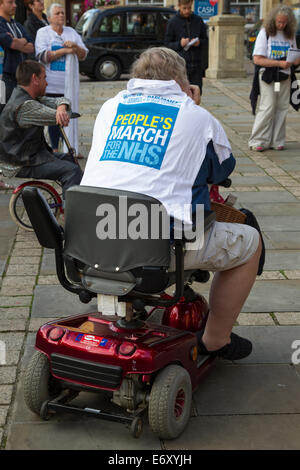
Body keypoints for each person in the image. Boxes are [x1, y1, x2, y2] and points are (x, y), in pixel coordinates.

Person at [80, 47, 262, 361]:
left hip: (98, 237)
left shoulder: (110, 107)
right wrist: (193, 105)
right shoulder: (195, 116)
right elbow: (222, 169)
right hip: (161, 246)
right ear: (180, 80)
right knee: (250, 243)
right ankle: (217, 339)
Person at [0, 60, 82, 197]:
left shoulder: (28, 96)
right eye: (44, 77)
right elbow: (61, 116)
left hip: (29, 155)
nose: (47, 82)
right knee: (72, 171)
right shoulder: (26, 106)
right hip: (20, 162)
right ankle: (71, 214)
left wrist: (61, 107)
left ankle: (70, 196)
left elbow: (62, 101)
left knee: (68, 159)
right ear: (35, 79)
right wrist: (62, 111)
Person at [35, 3, 88, 156]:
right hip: (50, 84)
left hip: (68, 85)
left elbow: (83, 54)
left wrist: (75, 47)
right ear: (50, 17)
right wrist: (65, 50)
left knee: (69, 117)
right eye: (57, 13)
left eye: (63, 13)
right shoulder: (43, 33)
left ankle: (69, 149)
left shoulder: (71, 32)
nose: (61, 16)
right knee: (54, 118)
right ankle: (54, 150)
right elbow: (43, 56)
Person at [249, 4, 300, 151]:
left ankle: (277, 140)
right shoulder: (265, 32)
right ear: (273, 20)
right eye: (279, 22)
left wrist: (295, 60)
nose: (281, 25)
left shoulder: (290, 34)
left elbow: (294, 55)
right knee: (268, 106)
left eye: (284, 22)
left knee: (282, 107)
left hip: (285, 74)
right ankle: (258, 140)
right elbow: (257, 59)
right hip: (268, 74)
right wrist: (278, 62)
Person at [164, 0, 207, 94]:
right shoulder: (172, 22)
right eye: (184, 8)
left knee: (196, 93)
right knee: (181, 94)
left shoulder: (198, 20)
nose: (187, 11)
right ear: (179, 6)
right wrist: (180, 43)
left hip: (196, 65)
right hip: (180, 66)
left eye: (189, 8)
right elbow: (167, 44)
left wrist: (199, 42)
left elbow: (206, 40)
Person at [0, 0, 34, 111]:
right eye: (10, 2)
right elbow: (11, 43)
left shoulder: (17, 24)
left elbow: (31, 46)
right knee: (4, 113)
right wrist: (20, 42)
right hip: (5, 78)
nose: (14, 5)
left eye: (14, 2)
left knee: (19, 113)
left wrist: (18, 41)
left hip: (21, 78)